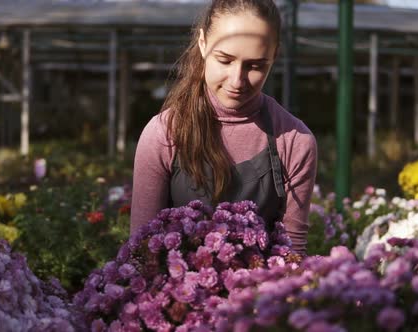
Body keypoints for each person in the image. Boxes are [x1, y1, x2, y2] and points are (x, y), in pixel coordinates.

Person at [130, 0, 317, 255]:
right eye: (225, 60)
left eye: (255, 66)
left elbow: (292, 251)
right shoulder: (164, 133)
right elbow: (142, 249)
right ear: (203, 43)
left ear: (275, 55)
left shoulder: (295, 141)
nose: (237, 80)